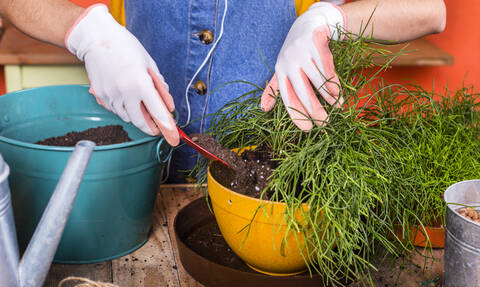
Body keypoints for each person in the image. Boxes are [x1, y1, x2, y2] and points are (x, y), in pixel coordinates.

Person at [0, 0, 446, 181]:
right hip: (141, 169)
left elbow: (429, 10)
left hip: (272, 176)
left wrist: (327, 20)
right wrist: (86, 32)